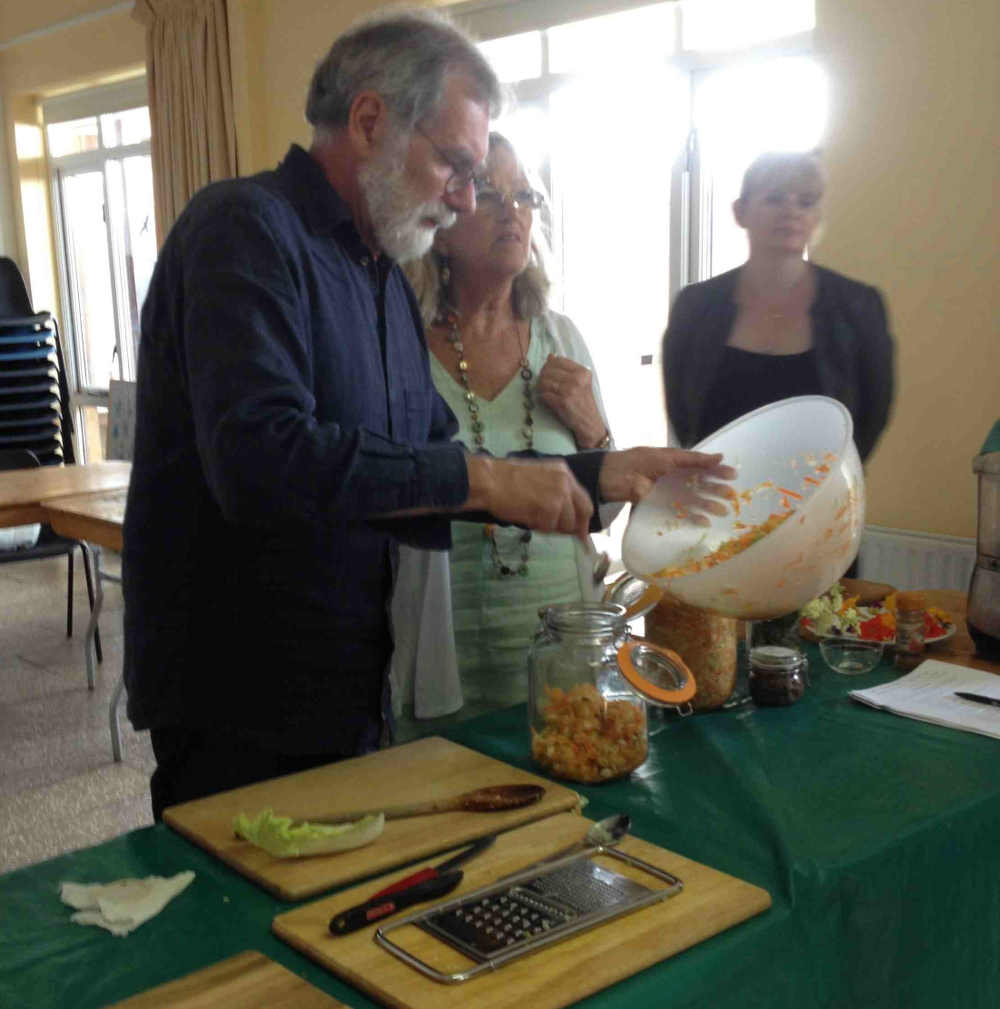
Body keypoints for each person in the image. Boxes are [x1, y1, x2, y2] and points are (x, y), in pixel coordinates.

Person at [123, 7, 735, 820]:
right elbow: (262, 462)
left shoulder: (379, 274)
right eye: (455, 164)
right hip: (239, 696)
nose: (466, 199)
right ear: (370, 119)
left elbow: (428, 467)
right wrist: (486, 479)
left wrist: (596, 469)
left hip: (346, 690)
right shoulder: (245, 229)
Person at [391, 132, 620, 738]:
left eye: (525, 196)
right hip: (444, 642)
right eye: (491, 193)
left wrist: (593, 425)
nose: (513, 211)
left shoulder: (561, 337)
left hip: (556, 636)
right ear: (439, 219)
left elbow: (608, 508)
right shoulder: (400, 342)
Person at [662, 150, 894, 464]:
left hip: (824, 498)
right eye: (774, 198)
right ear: (740, 211)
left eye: (806, 202)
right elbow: (683, 416)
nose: (791, 211)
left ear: (817, 217)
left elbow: (872, 417)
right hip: (715, 496)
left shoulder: (859, 306)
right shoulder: (695, 306)